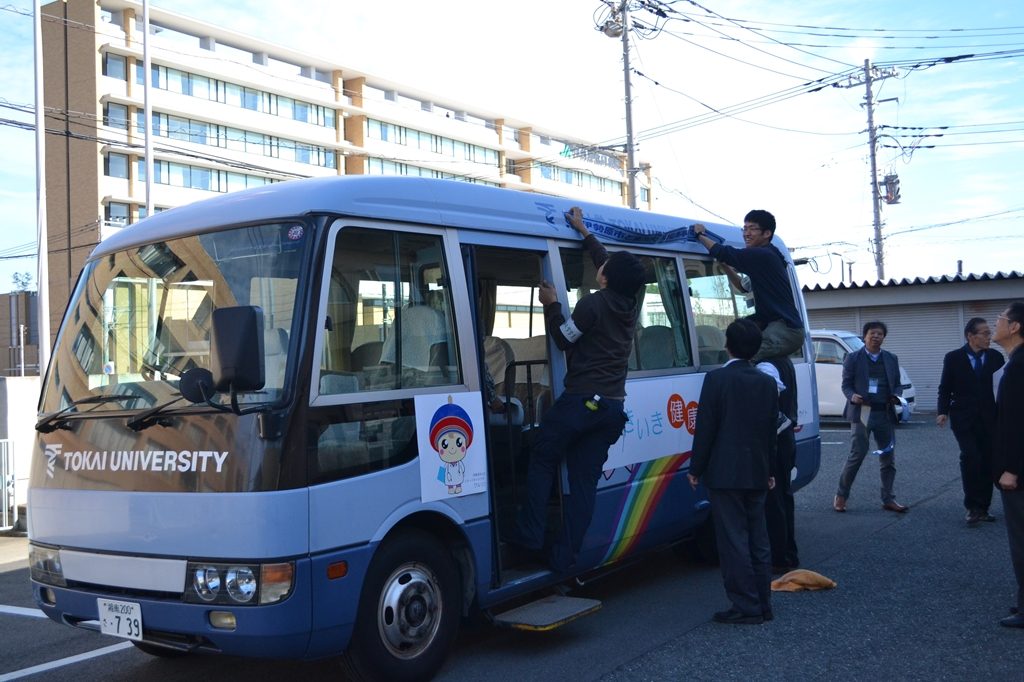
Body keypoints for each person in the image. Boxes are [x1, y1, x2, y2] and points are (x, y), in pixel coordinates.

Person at [508, 206, 644, 572]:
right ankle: (566, 559)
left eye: (605, 267)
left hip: (583, 401)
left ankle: (530, 538)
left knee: (541, 456)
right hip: (613, 407)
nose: (602, 265)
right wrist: (583, 230)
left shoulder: (593, 305)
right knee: (584, 483)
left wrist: (551, 306)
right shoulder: (629, 302)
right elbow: (608, 263)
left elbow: (564, 340)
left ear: (604, 279)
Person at [688, 318, 778, 624]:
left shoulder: (716, 380)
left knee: (733, 540)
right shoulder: (766, 382)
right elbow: (770, 431)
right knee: (758, 538)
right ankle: (763, 603)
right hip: (757, 470)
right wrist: (770, 469)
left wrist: (695, 468)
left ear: (727, 346)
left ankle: (745, 606)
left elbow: (706, 429)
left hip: (724, 472)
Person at [692, 211, 804, 362]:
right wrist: (725, 267)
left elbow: (724, 252)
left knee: (744, 356)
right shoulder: (769, 256)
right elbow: (743, 287)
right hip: (776, 325)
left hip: (786, 329)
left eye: (752, 229)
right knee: (737, 332)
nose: (746, 234)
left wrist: (699, 235)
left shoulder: (762, 255)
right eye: (744, 229)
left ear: (766, 233)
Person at [833, 321, 908, 513]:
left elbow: (897, 384)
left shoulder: (891, 358)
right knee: (857, 454)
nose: (876, 337)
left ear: (884, 338)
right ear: (864, 337)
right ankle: (841, 495)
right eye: (872, 334)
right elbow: (846, 385)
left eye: (880, 334)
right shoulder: (853, 358)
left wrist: (896, 395)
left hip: (884, 411)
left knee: (888, 457)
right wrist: (852, 396)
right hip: (863, 410)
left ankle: (888, 498)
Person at [937, 317, 1005, 525]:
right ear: (970, 336)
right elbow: (945, 387)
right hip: (963, 418)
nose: (989, 337)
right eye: (985, 333)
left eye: (989, 332)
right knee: (970, 457)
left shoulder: (995, 357)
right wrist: (943, 411)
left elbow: (1003, 387)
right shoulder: (953, 358)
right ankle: (972, 507)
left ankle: (983, 507)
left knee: (986, 460)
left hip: (989, 418)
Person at [992, 302, 1024, 628]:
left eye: (1000, 319)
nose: (996, 323)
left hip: (1019, 472)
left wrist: (1011, 468)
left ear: (1014, 327)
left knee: (1021, 540)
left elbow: (1017, 424)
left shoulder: (1017, 367)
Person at [763, 355, 800, 572]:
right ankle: (787, 553)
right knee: (784, 497)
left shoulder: (765, 365)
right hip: (785, 439)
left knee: (774, 501)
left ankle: (779, 556)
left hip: (774, 442)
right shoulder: (783, 359)